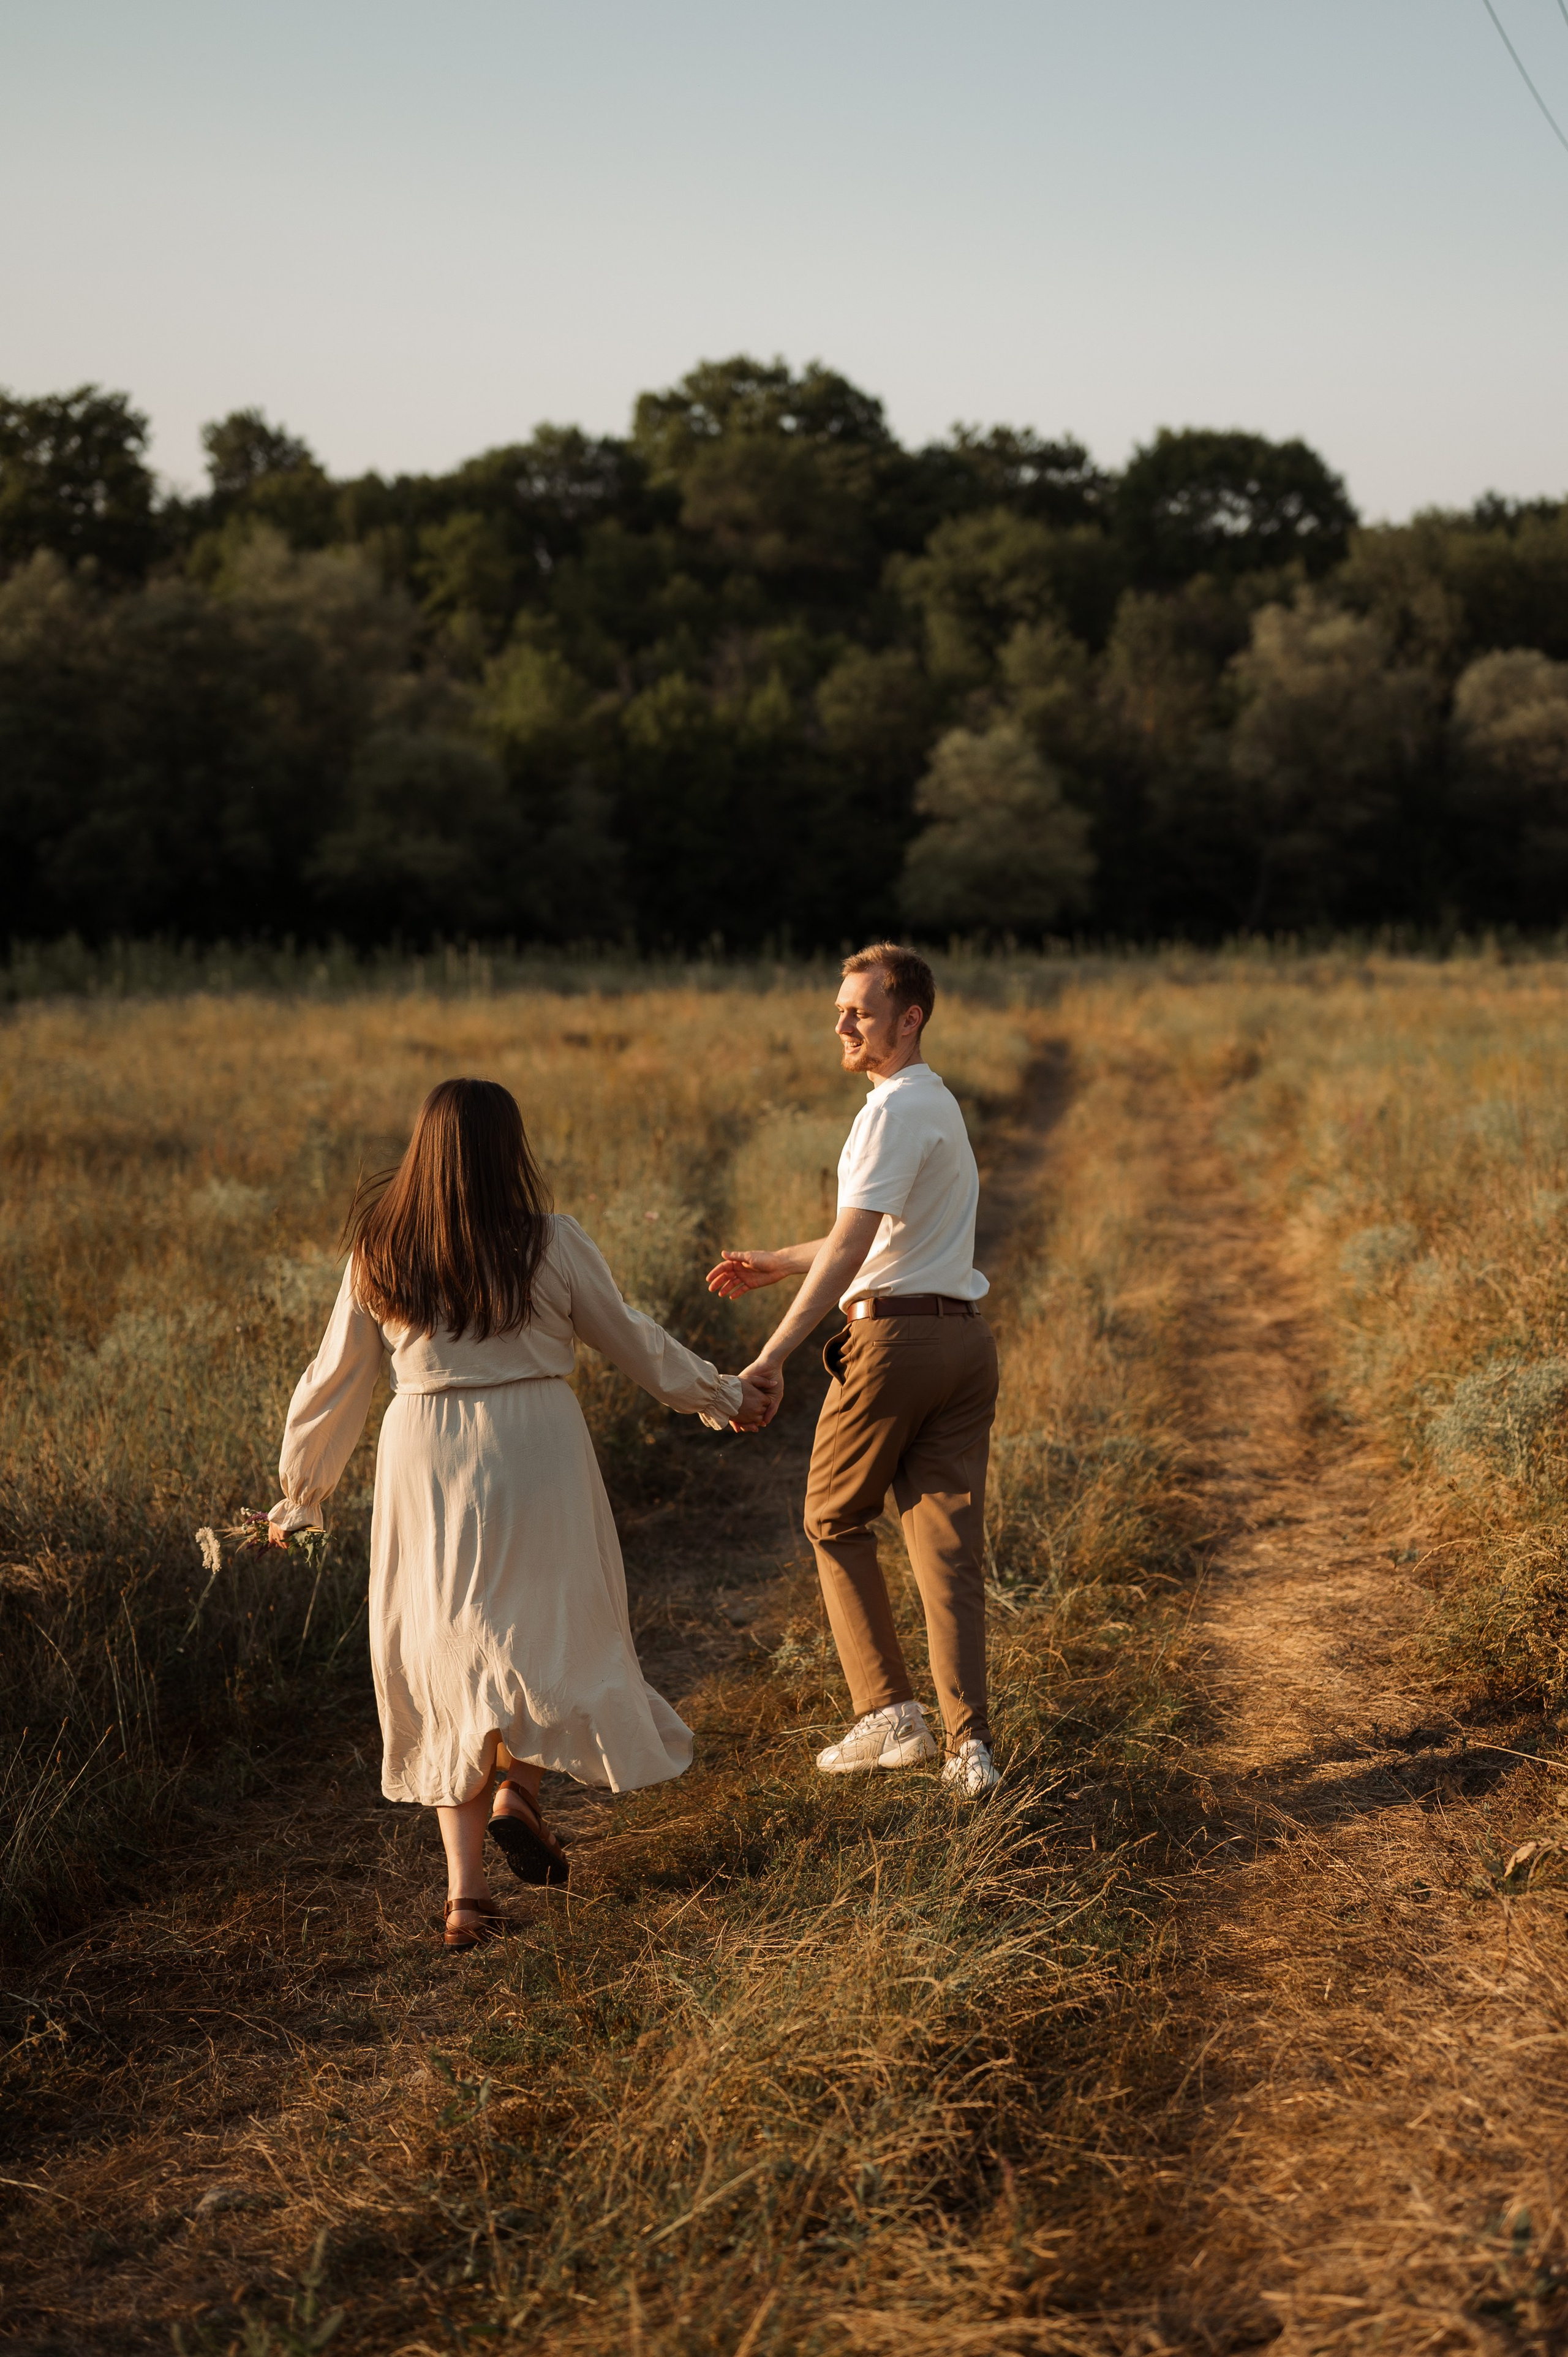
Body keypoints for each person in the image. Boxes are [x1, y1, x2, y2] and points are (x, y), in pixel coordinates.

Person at [269, 1077, 770, 1953]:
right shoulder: (551, 1244)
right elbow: (636, 1343)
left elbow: (335, 1381)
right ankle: (521, 1795)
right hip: (536, 1441)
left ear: (423, 1149)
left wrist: (301, 1494)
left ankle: (465, 1898)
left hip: (425, 1449)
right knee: (545, 1630)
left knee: (446, 1653)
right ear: (511, 1150)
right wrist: (722, 1395)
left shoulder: (378, 1252)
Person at [707, 944, 1000, 1796]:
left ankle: (889, 1715)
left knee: (833, 1518)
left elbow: (856, 1244)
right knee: (947, 1554)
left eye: (860, 1011)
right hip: (962, 1345)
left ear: (908, 1019)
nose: (841, 1022)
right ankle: (969, 1750)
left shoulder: (888, 1111)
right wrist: (777, 1260)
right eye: (840, 1008)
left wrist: (771, 1354)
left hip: (894, 1349)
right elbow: (884, 1239)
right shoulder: (935, 1102)